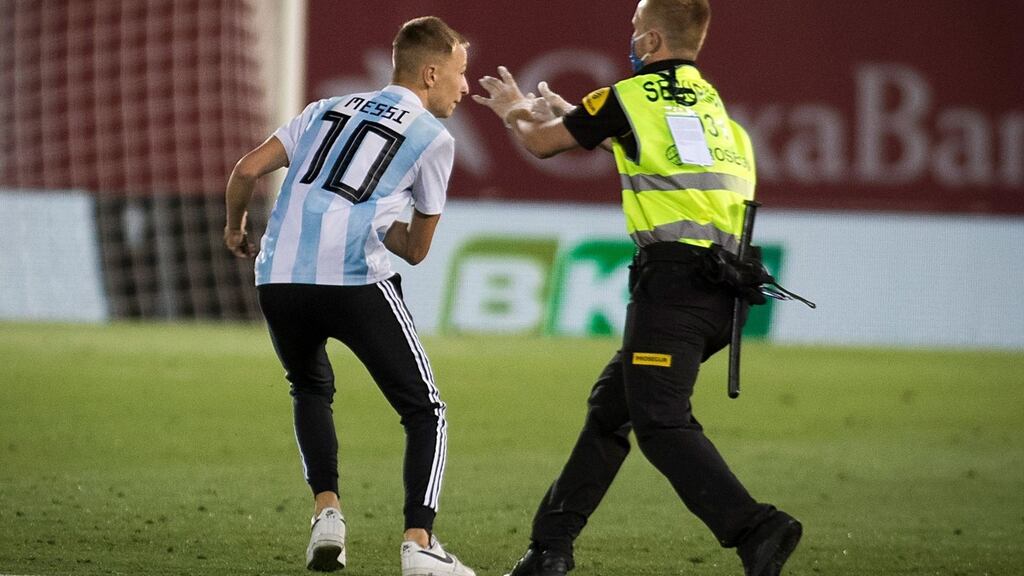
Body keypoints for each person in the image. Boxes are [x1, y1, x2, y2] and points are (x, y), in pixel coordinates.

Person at [472, 1, 802, 575]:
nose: (629, 39)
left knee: (660, 423)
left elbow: (543, 143)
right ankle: (550, 548)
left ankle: (756, 526)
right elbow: (656, 152)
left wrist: (515, 109)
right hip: (726, 292)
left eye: (632, 30)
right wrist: (577, 114)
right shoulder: (717, 113)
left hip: (674, 289)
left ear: (650, 40)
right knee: (611, 411)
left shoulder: (629, 97)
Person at [223, 16, 475, 576]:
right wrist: (382, 221)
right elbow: (414, 250)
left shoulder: (324, 109)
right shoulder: (434, 139)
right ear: (431, 73)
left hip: (278, 276)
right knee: (424, 410)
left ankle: (327, 514)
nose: (465, 87)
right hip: (353, 279)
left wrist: (236, 229)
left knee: (309, 385)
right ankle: (419, 544)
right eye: (460, 74)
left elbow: (246, 169)